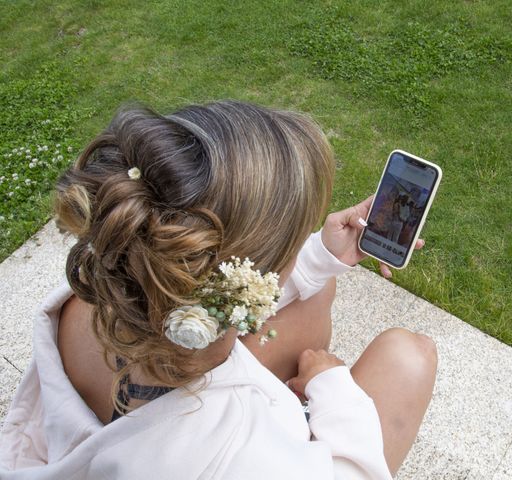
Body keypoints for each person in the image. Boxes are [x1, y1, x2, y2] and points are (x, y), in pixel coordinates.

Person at [0, 100, 437, 479]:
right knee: (411, 355)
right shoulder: (234, 450)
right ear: (244, 281)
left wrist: (320, 254)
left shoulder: (107, 277)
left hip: (110, 437)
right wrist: (331, 386)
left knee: (316, 290)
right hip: (206, 446)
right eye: (292, 242)